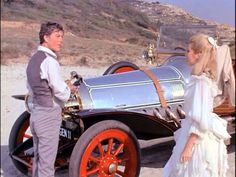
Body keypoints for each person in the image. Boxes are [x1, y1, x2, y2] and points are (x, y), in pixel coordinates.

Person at [163, 33, 232, 177]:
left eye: (189, 51)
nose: (186, 54)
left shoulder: (201, 82)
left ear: (199, 54)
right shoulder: (199, 78)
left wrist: (188, 146)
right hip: (192, 129)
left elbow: (201, 117)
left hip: (197, 137)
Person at [26, 22, 77, 177]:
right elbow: (60, 92)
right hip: (48, 115)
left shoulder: (33, 59)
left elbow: (31, 88)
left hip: (35, 114)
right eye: (57, 36)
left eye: (62, 36)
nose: (61, 40)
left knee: (39, 159)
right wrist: (70, 89)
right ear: (46, 37)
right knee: (47, 165)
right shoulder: (50, 61)